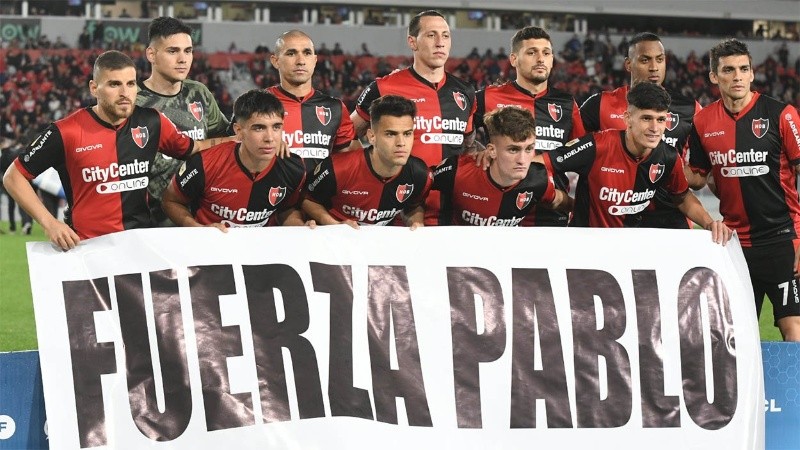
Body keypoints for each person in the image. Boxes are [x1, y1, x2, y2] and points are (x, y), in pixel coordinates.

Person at [2, 51, 230, 250]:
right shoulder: (66, 131)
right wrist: (50, 223)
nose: (125, 92)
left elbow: (194, 147)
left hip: (138, 249)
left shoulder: (152, 122)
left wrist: (237, 140)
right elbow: (14, 176)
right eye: (114, 84)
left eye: (130, 84)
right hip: (87, 249)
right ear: (94, 88)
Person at [686, 38, 800, 341]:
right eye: (728, 70)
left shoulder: (781, 114)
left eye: (743, 69)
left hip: (783, 240)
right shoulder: (702, 122)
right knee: (734, 334)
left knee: (793, 327)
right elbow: (697, 178)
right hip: (734, 244)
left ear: (752, 73)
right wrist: (662, 157)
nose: (737, 76)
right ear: (714, 76)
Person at [538, 82, 730, 244]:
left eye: (661, 120)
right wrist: (555, 197)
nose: (655, 128)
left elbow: (682, 197)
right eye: (646, 118)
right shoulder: (597, 146)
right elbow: (542, 163)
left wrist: (709, 223)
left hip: (629, 249)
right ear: (627, 118)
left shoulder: (667, 157)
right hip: (586, 245)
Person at [350, 10, 476, 225]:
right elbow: (346, 135)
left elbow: (468, 145)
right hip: (398, 215)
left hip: (452, 215)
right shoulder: (384, 87)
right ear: (412, 42)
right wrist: (369, 175)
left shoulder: (465, 91)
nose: (440, 43)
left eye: (445, 35)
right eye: (431, 35)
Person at [580, 32, 702, 229]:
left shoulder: (690, 109)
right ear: (628, 64)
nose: (654, 67)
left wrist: (666, 172)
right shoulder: (600, 105)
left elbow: (701, 174)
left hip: (670, 219)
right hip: (615, 220)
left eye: (659, 60)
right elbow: (575, 152)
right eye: (645, 60)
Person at [474, 26, 585, 227]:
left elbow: (580, 153)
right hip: (496, 212)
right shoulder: (488, 97)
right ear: (514, 59)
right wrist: (479, 151)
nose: (541, 59)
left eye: (546, 53)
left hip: (551, 212)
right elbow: (461, 136)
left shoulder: (567, 103)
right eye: (532, 53)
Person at [162, 90, 307, 230]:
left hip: (262, 246)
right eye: (259, 128)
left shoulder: (293, 167)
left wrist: (302, 228)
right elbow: (171, 201)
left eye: (276, 127)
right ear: (238, 131)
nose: (270, 138)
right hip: (210, 245)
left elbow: (286, 209)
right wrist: (196, 228)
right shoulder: (205, 163)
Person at [137, 17, 231, 226]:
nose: (183, 59)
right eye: (173, 51)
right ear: (151, 54)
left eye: (188, 51)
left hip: (199, 219)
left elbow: (226, 138)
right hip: (148, 222)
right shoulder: (133, 101)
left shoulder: (199, 92)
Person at [303, 95, 431, 228]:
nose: (401, 143)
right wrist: (335, 225)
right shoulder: (338, 169)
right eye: (390, 134)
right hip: (336, 240)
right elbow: (306, 199)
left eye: (407, 134)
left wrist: (415, 223)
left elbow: (413, 206)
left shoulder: (420, 174)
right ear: (372, 136)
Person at [433, 106, 571, 226]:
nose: (522, 160)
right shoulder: (458, 171)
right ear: (492, 150)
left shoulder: (539, 179)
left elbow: (559, 201)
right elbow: (423, 184)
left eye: (529, 149)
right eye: (513, 150)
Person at [262, 30, 355, 173]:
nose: (300, 61)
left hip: (321, 189)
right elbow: (233, 151)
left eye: (307, 53)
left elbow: (350, 163)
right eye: (291, 53)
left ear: (315, 60)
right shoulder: (257, 104)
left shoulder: (335, 108)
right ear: (275, 61)